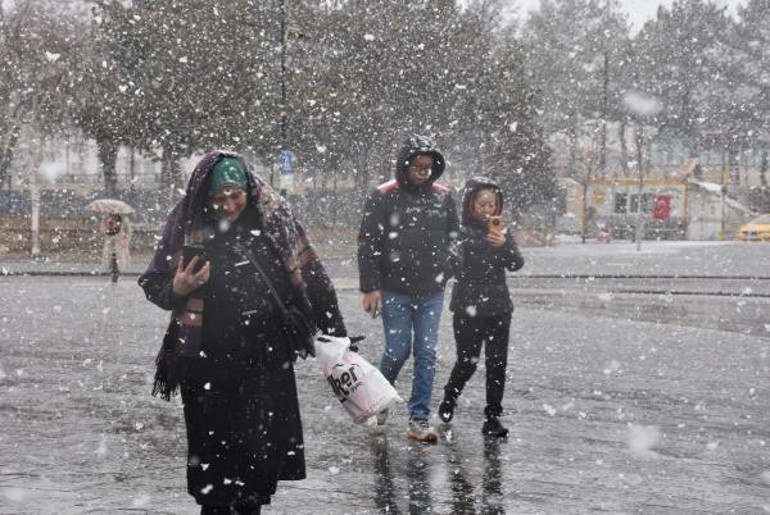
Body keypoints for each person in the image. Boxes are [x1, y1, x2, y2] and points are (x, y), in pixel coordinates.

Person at [138, 150, 347, 515]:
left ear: (249, 189)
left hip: (266, 364)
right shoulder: (186, 221)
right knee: (215, 482)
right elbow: (154, 283)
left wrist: (338, 338)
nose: (228, 205)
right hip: (207, 367)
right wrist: (180, 287)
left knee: (256, 473)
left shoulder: (274, 218)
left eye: (235, 195)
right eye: (219, 198)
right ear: (205, 195)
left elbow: (313, 279)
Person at [357, 135, 459, 443]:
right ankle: (378, 401)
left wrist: (448, 266)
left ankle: (418, 419)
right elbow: (368, 244)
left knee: (426, 353)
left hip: (432, 291)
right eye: (418, 165)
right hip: (394, 291)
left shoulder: (443, 196)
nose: (423, 170)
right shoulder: (383, 196)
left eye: (428, 166)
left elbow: (456, 238)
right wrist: (371, 287)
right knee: (397, 352)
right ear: (406, 164)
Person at [437, 177, 524, 437]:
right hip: (467, 308)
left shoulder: (501, 232)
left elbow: (516, 263)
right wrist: (462, 249)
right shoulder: (460, 233)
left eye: (492, 204)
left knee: (498, 363)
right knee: (467, 362)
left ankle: (492, 417)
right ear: (471, 204)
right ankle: (450, 397)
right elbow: (448, 269)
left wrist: (504, 244)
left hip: (499, 307)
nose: (488, 209)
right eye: (482, 203)